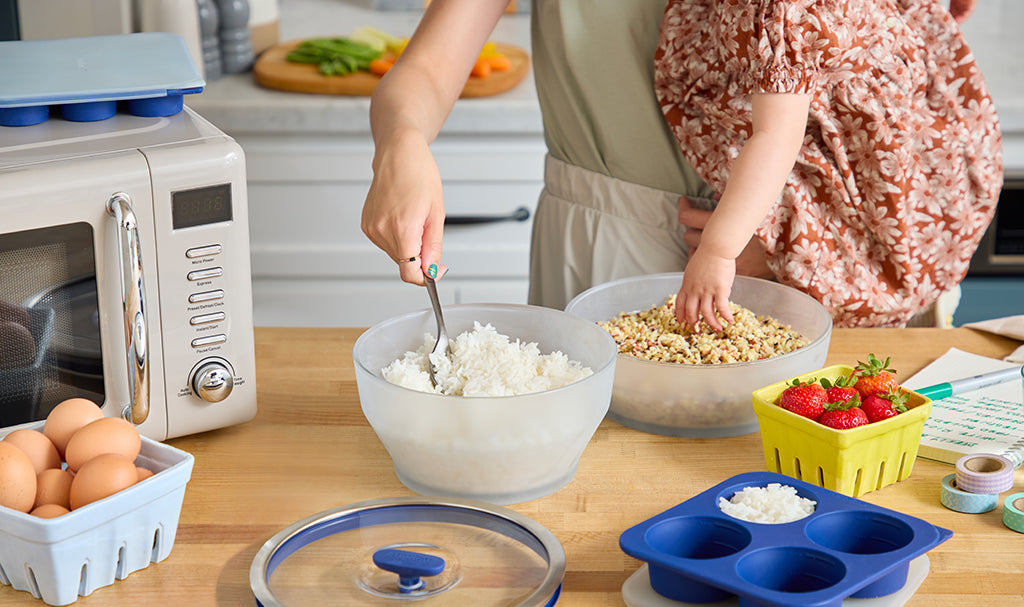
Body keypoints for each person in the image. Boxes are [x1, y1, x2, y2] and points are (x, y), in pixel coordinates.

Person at [655, 0, 1002, 330]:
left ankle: (880, 294)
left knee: (869, 251)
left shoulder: (780, 13)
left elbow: (776, 136)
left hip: (854, 134)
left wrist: (718, 250)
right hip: (865, 74)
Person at [361, 1, 716, 310]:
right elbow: (427, 69)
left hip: (757, 263)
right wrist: (402, 140)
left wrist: (769, 240)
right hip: (593, 242)